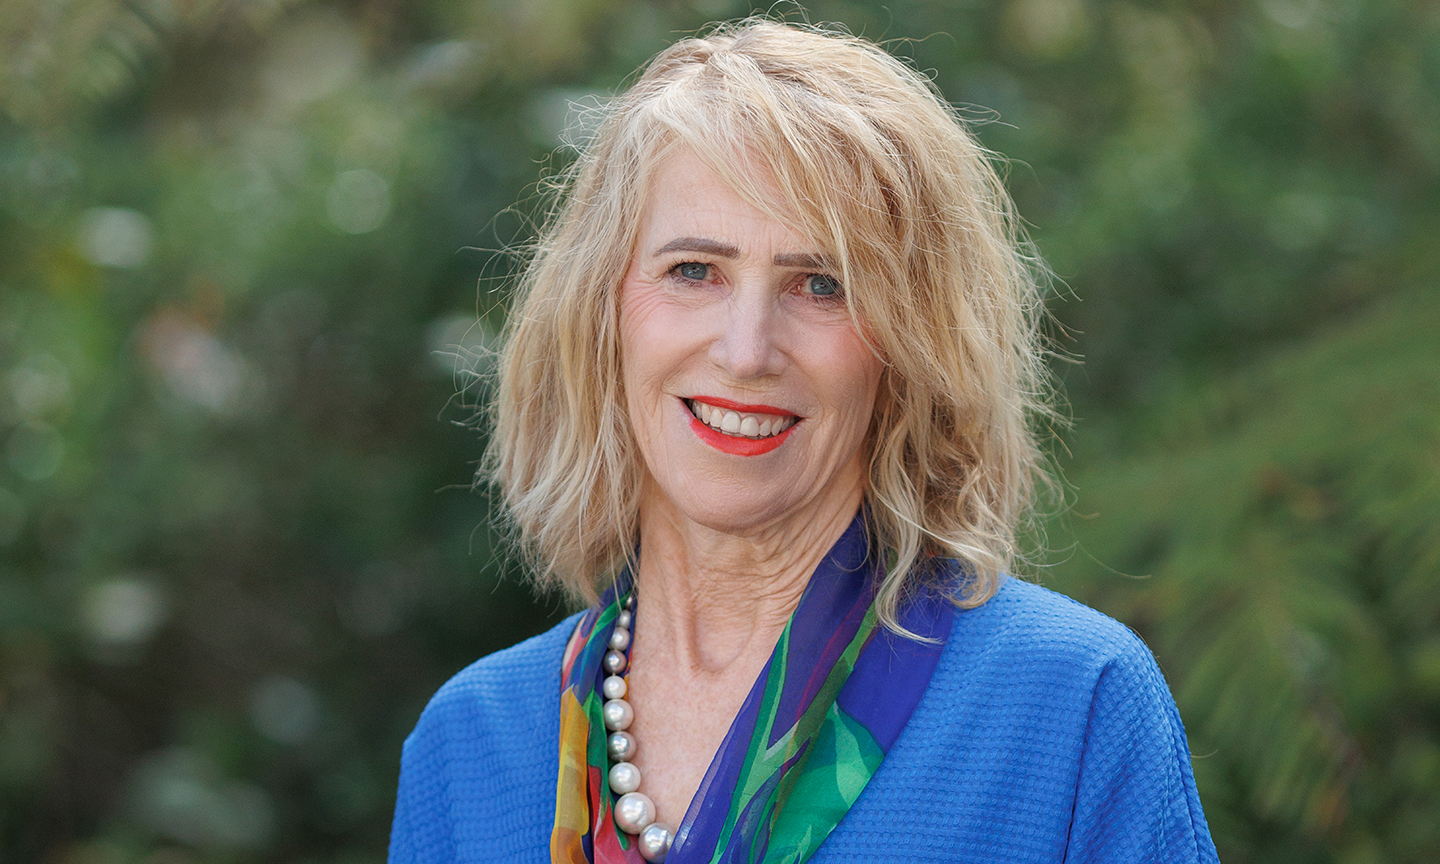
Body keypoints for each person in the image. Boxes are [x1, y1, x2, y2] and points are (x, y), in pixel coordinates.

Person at [388, 19, 1220, 864]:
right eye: (693, 271)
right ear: (601, 313)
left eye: (822, 285)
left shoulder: (1069, 706)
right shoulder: (470, 750)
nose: (746, 351)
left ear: (911, 346)